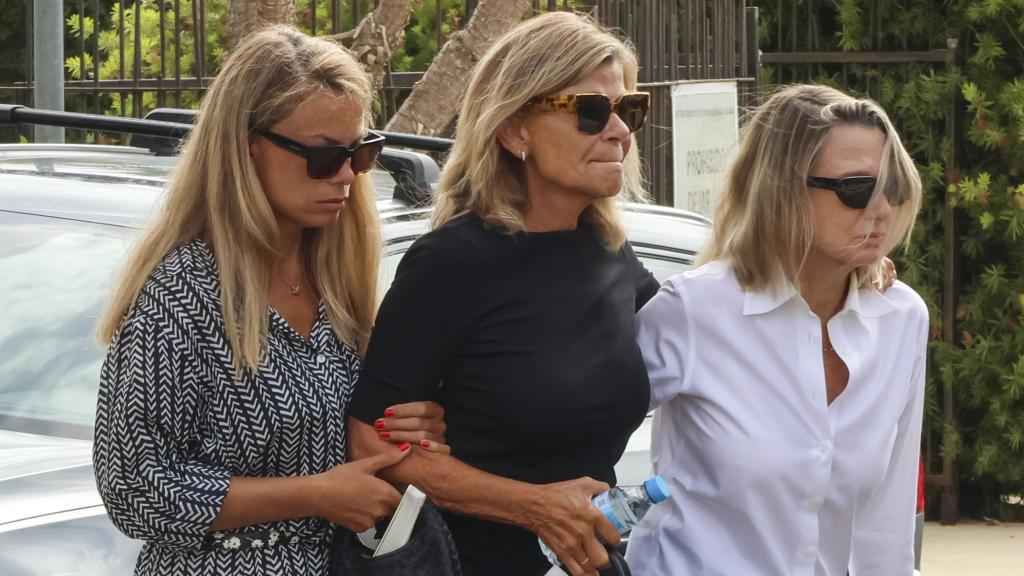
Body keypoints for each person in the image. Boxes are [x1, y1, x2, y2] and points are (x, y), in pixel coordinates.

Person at [93, 25, 446, 576]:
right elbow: (133, 486)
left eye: (361, 153)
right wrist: (314, 494)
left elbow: (339, 440)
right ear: (246, 146)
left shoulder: (339, 281)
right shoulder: (184, 291)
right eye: (324, 157)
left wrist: (405, 427)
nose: (349, 176)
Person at [345, 11, 657, 576]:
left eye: (629, 109)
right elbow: (371, 443)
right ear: (515, 131)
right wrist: (536, 508)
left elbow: (713, 316)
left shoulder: (610, 253)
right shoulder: (452, 264)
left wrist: (855, 277)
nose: (619, 130)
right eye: (590, 111)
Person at [624, 84, 927, 576]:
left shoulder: (901, 318)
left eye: (892, 188)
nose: (881, 211)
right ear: (781, 187)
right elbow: (578, 429)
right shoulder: (696, 310)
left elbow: (885, 531)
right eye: (856, 190)